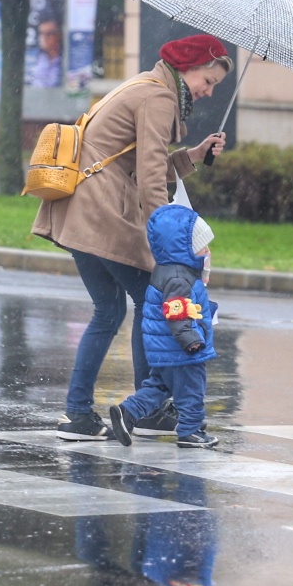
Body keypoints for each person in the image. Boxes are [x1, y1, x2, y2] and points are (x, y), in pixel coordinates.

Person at [33, 34, 230, 440]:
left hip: (79, 210)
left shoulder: (144, 84)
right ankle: (150, 406)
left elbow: (136, 160)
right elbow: (150, 176)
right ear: (188, 68)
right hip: (105, 214)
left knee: (108, 313)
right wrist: (167, 241)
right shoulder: (159, 99)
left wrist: (194, 155)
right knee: (151, 302)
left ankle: (77, 416)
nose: (208, 92)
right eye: (207, 81)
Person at [108, 202, 219, 449]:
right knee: (191, 390)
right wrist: (190, 339)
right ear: (183, 248)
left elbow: (182, 307)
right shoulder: (179, 277)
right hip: (181, 350)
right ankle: (191, 432)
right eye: (202, 246)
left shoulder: (169, 271)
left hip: (164, 348)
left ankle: (127, 412)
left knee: (159, 386)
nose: (207, 251)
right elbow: (175, 311)